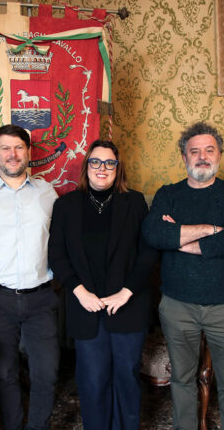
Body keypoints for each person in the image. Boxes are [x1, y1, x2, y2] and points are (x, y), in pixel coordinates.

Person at [142, 122, 224, 430]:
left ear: (219, 155)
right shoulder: (168, 194)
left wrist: (180, 237)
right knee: (182, 379)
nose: (202, 157)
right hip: (177, 306)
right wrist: (211, 229)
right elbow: (155, 234)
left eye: (209, 150)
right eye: (195, 151)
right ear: (184, 157)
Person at [48, 139, 158, 429]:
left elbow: (148, 253)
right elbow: (57, 255)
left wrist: (126, 292)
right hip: (86, 306)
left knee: (127, 377)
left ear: (118, 169)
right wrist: (79, 292)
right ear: (87, 166)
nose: (102, 168)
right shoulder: (66, 205)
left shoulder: (135, 202)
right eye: (96, 161)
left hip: (128, 305)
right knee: (93, 380)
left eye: (110, 163)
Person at [0, 124, 59, 430]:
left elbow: (61, 240)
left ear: (28, 152)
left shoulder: (48, 193)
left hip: (41, 297)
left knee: (46, 373)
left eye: (19, 147)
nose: (12, 154)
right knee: (4, 373)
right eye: (5, 148)